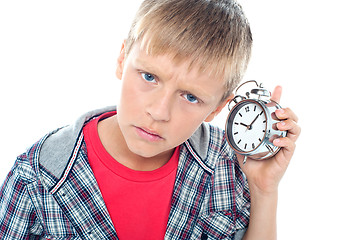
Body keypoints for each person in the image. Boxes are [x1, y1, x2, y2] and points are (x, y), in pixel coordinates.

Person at [0, 0, 300, 239]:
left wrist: (264, 191)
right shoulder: (36, 177)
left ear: (217, 109)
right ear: (122, 59)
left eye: (190, 97)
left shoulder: (227, 165)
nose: (159, 112)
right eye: (149, 76)